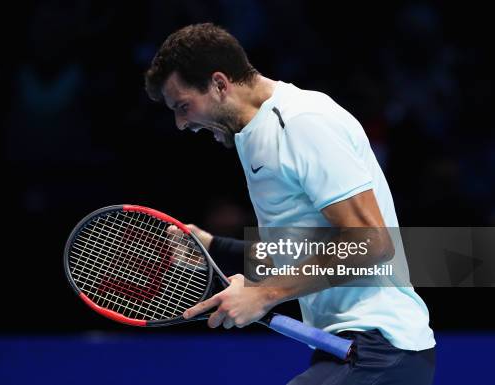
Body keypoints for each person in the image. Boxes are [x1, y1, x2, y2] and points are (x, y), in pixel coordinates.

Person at [144, 23, 435, 384]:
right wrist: (213, 246)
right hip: (345, 349)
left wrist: (264, 295)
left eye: (183, 106)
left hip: (382, 346)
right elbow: (298, 252)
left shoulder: (301, 122)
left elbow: (371, 242)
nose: (181, 124)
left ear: (219, 84)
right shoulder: (252, 136)